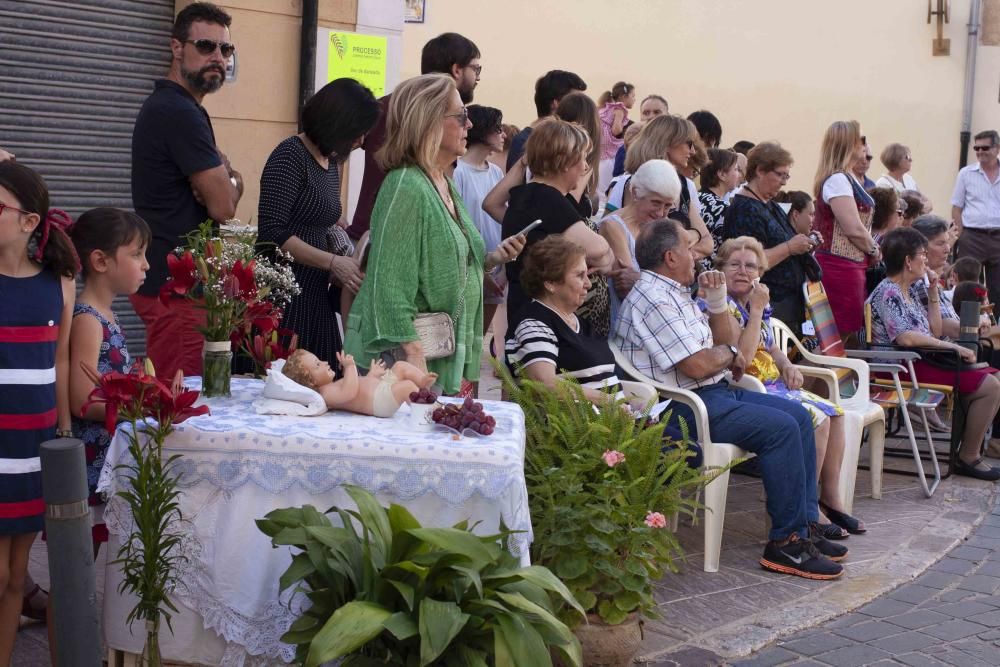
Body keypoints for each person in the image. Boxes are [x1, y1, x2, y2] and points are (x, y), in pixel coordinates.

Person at [613, 218, 845, 579]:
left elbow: (722, 345)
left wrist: (720, 308)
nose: (697, 255)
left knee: (799, 417)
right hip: (684, 408)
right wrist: (732, 350)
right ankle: (786, 545)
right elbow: (698, 364)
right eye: (690, 248)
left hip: (712, 392)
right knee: (782, 428)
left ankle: (804, 526)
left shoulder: (674, 292)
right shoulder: (654, 299)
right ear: (671, 257)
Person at [342, 74, 523, 397]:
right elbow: (390, 286)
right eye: (461, 116)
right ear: (428, 122)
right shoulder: (406, 185)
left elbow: (449, 259)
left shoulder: (440, 180)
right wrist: (415, 358)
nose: (469, 125)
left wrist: (494, 258)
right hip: (409, 361)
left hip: (438, 351)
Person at [716, 237, 864, 536]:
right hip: (746, 388)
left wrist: (786, 365)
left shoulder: (754, 304)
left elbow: (772, 348)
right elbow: (740, 359)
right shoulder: (723, 309)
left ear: (761, 272)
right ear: (721, 269)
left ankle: (829, 499)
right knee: (817, 420)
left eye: (751, 266)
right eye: (735, 264)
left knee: (836, 414)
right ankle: (807, 508)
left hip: (772, 385)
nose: (743, 271)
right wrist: (756, 312)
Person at [130, 1, 243, 381]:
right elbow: (224, 206)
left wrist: (230, 178)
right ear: (177, 47)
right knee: (177, 406)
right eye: (206, 46)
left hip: (180, 285)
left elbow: (223, 195)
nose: (219, 58)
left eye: (226, 50)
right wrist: (227, 180)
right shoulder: (177, 111)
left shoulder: (181, 108)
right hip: (175, 289)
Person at [0, 162, 77, 661]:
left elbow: (62, 358)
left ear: (29, 222)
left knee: (16, 576)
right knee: (0, 574)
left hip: (32, 450)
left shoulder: (60, 284)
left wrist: (64, 431)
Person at [257, 78, 379, 366]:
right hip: (285, 298)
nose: (361, 142)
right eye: (357, 132)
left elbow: (327, 218)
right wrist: (332, 262)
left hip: (314, 293)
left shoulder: (331, 162)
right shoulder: (290, 155)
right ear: (337, 122)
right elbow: (273, 231)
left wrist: (343, 251)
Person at [866, 227, 1000, 481]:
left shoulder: (910, 289)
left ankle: (966, 451)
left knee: (992, 379)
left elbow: (935, 330)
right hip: (900, 367)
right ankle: (968, 456)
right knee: (990, 386)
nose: (925, 259)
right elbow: (906, 338)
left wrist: (933, 291)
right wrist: (954, 347)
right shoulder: (889, 292)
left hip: (919, 362)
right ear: (908, 260)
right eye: (922, 254)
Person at [68, 208, 150, 553]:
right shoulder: (88, 320)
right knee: (76, 565)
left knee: (89, 558)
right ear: (100, 261)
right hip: (86, 462)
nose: (146, 265)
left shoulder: (107, 314)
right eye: (136, 254)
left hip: (102, 457)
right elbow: (81, 398)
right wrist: (140, 403)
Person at [347, 32, 481, 242]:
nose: (478, 77)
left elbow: (335, 148)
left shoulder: (388, 104)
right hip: (397, 237)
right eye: (476, 68)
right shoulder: (445, 122)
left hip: (371, 230)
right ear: (456, 69)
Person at [500, 118, 613, 327]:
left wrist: (605, 258)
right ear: (564, 160)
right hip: (544, 322)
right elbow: (598, 248)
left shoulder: (538, 195)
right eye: (582, 158)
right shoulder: (545, 198)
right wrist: (604, 257)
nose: (586, 166)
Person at [723, 142, 817, 336]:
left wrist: (805, 244)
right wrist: (790, 247)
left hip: (787, 303)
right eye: (780, 175)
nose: (784, 182)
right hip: (770, 303)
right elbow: (751, 261)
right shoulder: (745, 209)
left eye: (786, 176)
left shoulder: (768, 204)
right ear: (760, 171)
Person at [605, 115, 713, 258]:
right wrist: (692, 237)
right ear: (667, 142)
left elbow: (707, 243)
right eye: (689, 143)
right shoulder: (632, 183)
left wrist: (680, 258)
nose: (693, 151)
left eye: (667, 205)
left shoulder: (685, 185)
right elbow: (641, 243)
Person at [813, 121, 880, 343]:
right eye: (860, 140)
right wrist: (874, 249)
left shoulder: (846, 178)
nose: (865, 145)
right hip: (839, 267)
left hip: (849, 265)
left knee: (841, 338)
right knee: (833, 340)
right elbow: (853, 228)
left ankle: (824, 378)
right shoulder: (838, 180)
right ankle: (804, 378)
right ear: (847, 144)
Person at [600, 159, 682, 327]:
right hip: (625, 329)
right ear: (636, 193)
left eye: (667, 206)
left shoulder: (662, 228)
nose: (661, 213)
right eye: (656, 203)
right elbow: (625, 289)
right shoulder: (612, 227)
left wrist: (640, 280)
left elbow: (681, 279)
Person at [454, 105, 507, 334]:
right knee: (463, 335)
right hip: (469, 267)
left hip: (496, 266)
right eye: (498, 128)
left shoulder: (495, 172)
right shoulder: (459, 172)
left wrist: (502, 269)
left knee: (479, 338)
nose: (503, 134)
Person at [283, 350, 437, 417]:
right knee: (407, 387)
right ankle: (429, 412)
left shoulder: (331, 386)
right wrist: (350, 366)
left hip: (381, 390)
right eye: (317, 365)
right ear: (310, 381)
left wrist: (372, 376)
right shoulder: (325, 394)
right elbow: (350, 392)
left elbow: (360, 389)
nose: (324, 363)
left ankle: (422, 381)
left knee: (401, 366)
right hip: (380, 403)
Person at [952, 130, 1000, 306]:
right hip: (972, 237)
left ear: (997, 148)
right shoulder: (966, 174)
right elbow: (956, 208)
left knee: (997, 289)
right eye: (976, 148)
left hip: (998, 237)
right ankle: (967, 327)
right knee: (969, 286)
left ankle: (992, 329)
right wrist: (962, 235)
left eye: (984, 147)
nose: (980, 151)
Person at [505, 70, 587, 170]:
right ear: (555, 103)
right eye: (575, 101)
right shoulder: (523, 142)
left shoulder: (566, 139)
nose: (582, 107)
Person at [698, 148, 741, 256]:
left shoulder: (695, 197)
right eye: (736, 169)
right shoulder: (723, 208)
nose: (739, 175)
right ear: (722, 174)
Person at [598, 82, 635, 196]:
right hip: (610, 151)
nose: (634, 99)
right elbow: (616, 130)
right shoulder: (620, 109)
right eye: (633, 96)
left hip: (601, 151)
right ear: (624, 97)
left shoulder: (606, 107)